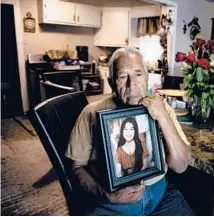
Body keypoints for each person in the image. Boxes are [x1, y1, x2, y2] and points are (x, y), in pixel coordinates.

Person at [65, 47, 194, 215]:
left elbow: (181, 166)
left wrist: (163, 116)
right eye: (122, 76)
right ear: (111, 82)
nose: (132, 84)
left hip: (161, 198)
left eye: (138, 74)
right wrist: (106, 194)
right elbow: (76, 167)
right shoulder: (91, 113)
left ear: (148, 78)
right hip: (112, 205)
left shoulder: (163, 109)